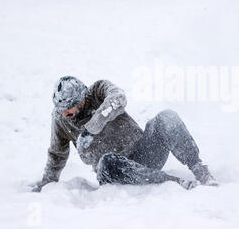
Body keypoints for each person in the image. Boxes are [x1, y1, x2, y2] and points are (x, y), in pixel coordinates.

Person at [31, 76, 218, 193]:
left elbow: (118, 98)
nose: (64, 113)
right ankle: (171, 181)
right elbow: (57, 154)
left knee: (165, 117)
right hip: (113, 171)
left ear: (82, 99)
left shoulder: (98, 91)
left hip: (143, 154)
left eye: (68, 108)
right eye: (61, 109)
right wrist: (47, 184)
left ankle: (199, 169)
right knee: (107, 161)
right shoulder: (60, 118)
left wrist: (91, 128)